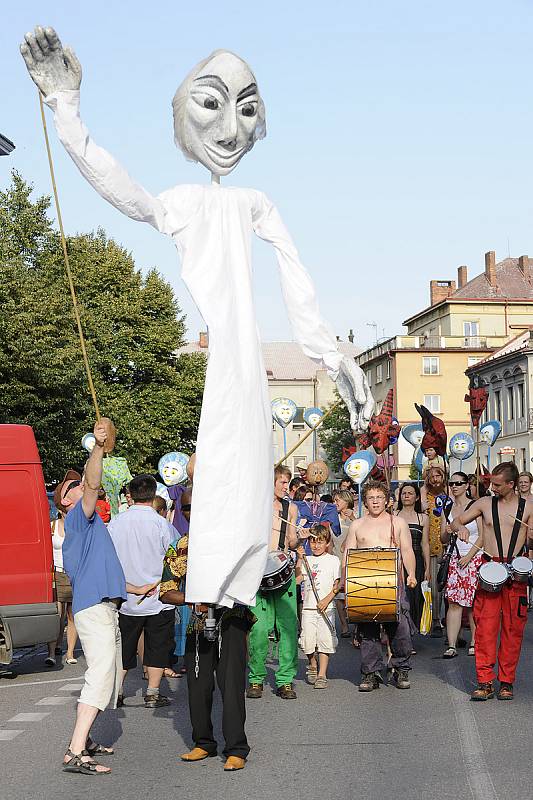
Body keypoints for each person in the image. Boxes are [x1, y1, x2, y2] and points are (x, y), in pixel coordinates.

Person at [59, 420, 156, 775]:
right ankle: (75, 751)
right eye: (74, 486)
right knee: (101, 676)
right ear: (66, 501)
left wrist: (135, 589)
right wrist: (98, 447)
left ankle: (83, 740)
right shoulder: (77, 519)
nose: (82, 486)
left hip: (107, 606)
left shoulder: (92, 527)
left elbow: (106, 573)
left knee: (111, 678)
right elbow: (94, 481)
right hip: (96, 610)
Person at [159, 487, 254, 772]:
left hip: (232, 622)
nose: (191, 512)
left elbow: (250, 581)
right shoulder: (182, 547)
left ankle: (236, 748)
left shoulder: (232, 543)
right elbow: (165, 591)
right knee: (198, 687)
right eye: (186, 508)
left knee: (231, 685)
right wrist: (194, 600)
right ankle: (203, 743)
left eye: (195, 506)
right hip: (199, 624)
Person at [451, 462, 533, 700]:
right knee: (485, 630)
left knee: (512, 631)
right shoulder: (485, 503)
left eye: (497, 484)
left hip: (515, 575)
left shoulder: (528, 507)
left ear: (511, 484)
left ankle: (506, 682)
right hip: (489, 569)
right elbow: (457, 521)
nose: (492, 488)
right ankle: (485, 681)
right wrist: (460, 529)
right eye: (491, 483)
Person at [108, 474, 176, 708]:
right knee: (158, 646)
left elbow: (109, 558)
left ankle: (117, 691)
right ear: (153, 493)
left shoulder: (117, 522)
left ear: (131, 494)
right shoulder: (162, 524)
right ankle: (153, 692)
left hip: (126, 595)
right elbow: (174, 557)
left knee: (123, 647)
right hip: (157, 594)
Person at [343, 481, 416, 692]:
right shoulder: (357, 525)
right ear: (365, 501)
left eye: (379, 497)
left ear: (387, 500)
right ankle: (370, 672)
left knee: (400, 627)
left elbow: (408, 551)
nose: (375, 501)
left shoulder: (398, 522)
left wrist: (411, 573)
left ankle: (401, 667)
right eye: (371, 498)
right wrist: (346, 582)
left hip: (394, 584)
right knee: (368, 629)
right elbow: (348, 555)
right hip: (364, 585)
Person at [247, 465, 299, 700]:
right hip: (257, 572)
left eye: (287, 483)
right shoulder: (256, 507)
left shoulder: (291, 508)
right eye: (281, 482)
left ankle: (285, 680)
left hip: (282, 570)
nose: (285, 487)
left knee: (288, 628)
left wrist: (300, 539)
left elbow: (292, 541)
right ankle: (256, 678)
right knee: (258, 628)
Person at [440, 472, 482, 659]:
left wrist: (470, 556)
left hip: (474, 558)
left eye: (459, 483)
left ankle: (475, 641)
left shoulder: (476, 506)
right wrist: (448, 532)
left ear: (467, 485)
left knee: (473, 603)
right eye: (452, 483)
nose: (455, 486)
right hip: (454, 558)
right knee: (453, 602)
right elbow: (443, 538)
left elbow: (483, 536)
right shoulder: (447, 508)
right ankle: (451, 644)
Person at [297, 525, 340, 688]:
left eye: (320, 542)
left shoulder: (333, 560)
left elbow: (337, 585)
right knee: (307, 642)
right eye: (313, 542)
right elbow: (298, 579)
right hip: (308, 607)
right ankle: (312, 663)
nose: (316, 545)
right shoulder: (307, 559)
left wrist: (327, 600)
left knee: (325, 640)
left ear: (327, 543)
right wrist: (300, 559)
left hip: (326, 608)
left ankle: (322, 674)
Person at [395, 483, 430, 633]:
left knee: (415, 597)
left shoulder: (423, 518)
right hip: (397, 561)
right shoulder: (393, 515)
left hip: (417, 560)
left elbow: (425, 544)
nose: (406, 496)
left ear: (417, 497)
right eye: (404, 493)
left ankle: (411, 631)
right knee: (399, 596)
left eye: (410, 493)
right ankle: (398, 632)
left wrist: (428, 568)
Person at [46, 508, 78, 667]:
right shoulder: (52, 527)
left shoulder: (78, 528)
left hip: (74, 575)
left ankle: (70, 652)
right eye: (66, 510)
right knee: (57, 615)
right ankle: (51, 653)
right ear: (60, 510)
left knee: (73, 615)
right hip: (56, 574)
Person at [420, 465, 447, 636]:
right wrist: (424, 489)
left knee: (443, 584)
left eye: (439, 476)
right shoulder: (426, 495)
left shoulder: (448, 494)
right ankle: (435, 619)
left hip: (446, 543)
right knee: (432, 584)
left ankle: (446, 618)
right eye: (432, 476)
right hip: (429, 541)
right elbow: (423, 508)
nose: (435, 479)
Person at [333, 489, 356, 637]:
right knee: (339, 596)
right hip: (336, 558)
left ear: (346, 501)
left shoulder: (357, 518)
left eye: (338, 501)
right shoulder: (333, 518)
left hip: (352, 560)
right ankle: (344, 626)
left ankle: (358, 625)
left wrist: (353, 518)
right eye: (334, 501)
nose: (335, 503)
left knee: (353, 595)